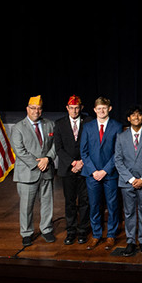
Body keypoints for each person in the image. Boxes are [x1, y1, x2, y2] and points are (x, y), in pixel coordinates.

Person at [11, 95, 56, 247]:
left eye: (39, 108)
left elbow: (55, 144)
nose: (36, 111)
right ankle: (26, 233)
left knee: (47, 203)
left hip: (46, 170)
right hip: (27, 173)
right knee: (26, 206)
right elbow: (19, 151)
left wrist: (47, 159)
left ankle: (47, 229)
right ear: (27, 109)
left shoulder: (50, 124)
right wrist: (38, 164)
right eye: (33, 108)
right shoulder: (18, 127)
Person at [113, 106, 142, 257]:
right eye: (133, 115)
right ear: (128, 118)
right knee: (129, 212)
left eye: (139, 115)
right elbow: (118, 160)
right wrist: (131, 179)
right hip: (127, 182)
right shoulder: (121, 136)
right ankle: (131, 241)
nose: (136, 117)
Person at [80, 97, 123, 250]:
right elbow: (84, 152)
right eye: (99, 108)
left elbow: (118, 152)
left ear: (109, 109)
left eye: (104, 108)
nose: (102, 111)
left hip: (109, 173)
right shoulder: (88, 127)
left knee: (112, 205)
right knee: (94, 205)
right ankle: (96, 235)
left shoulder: (117, 126)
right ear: (94, 110)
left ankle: (111, 235)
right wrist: (94, 171)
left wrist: (105, 170)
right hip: (92, 174)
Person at [53, 95, 91, 245]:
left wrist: (82, 162)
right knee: (69, 202)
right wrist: (73, 163)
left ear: (81, 108)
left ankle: (83, 230)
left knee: (84, 201)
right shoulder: (60, 124)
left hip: (84, 167)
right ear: (67, 108)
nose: (74, 111)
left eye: (77, 108)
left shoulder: (88, 121)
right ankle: (71, 231)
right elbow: (58, 148)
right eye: (71, 108)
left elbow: (91, 145)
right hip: (68, 169)